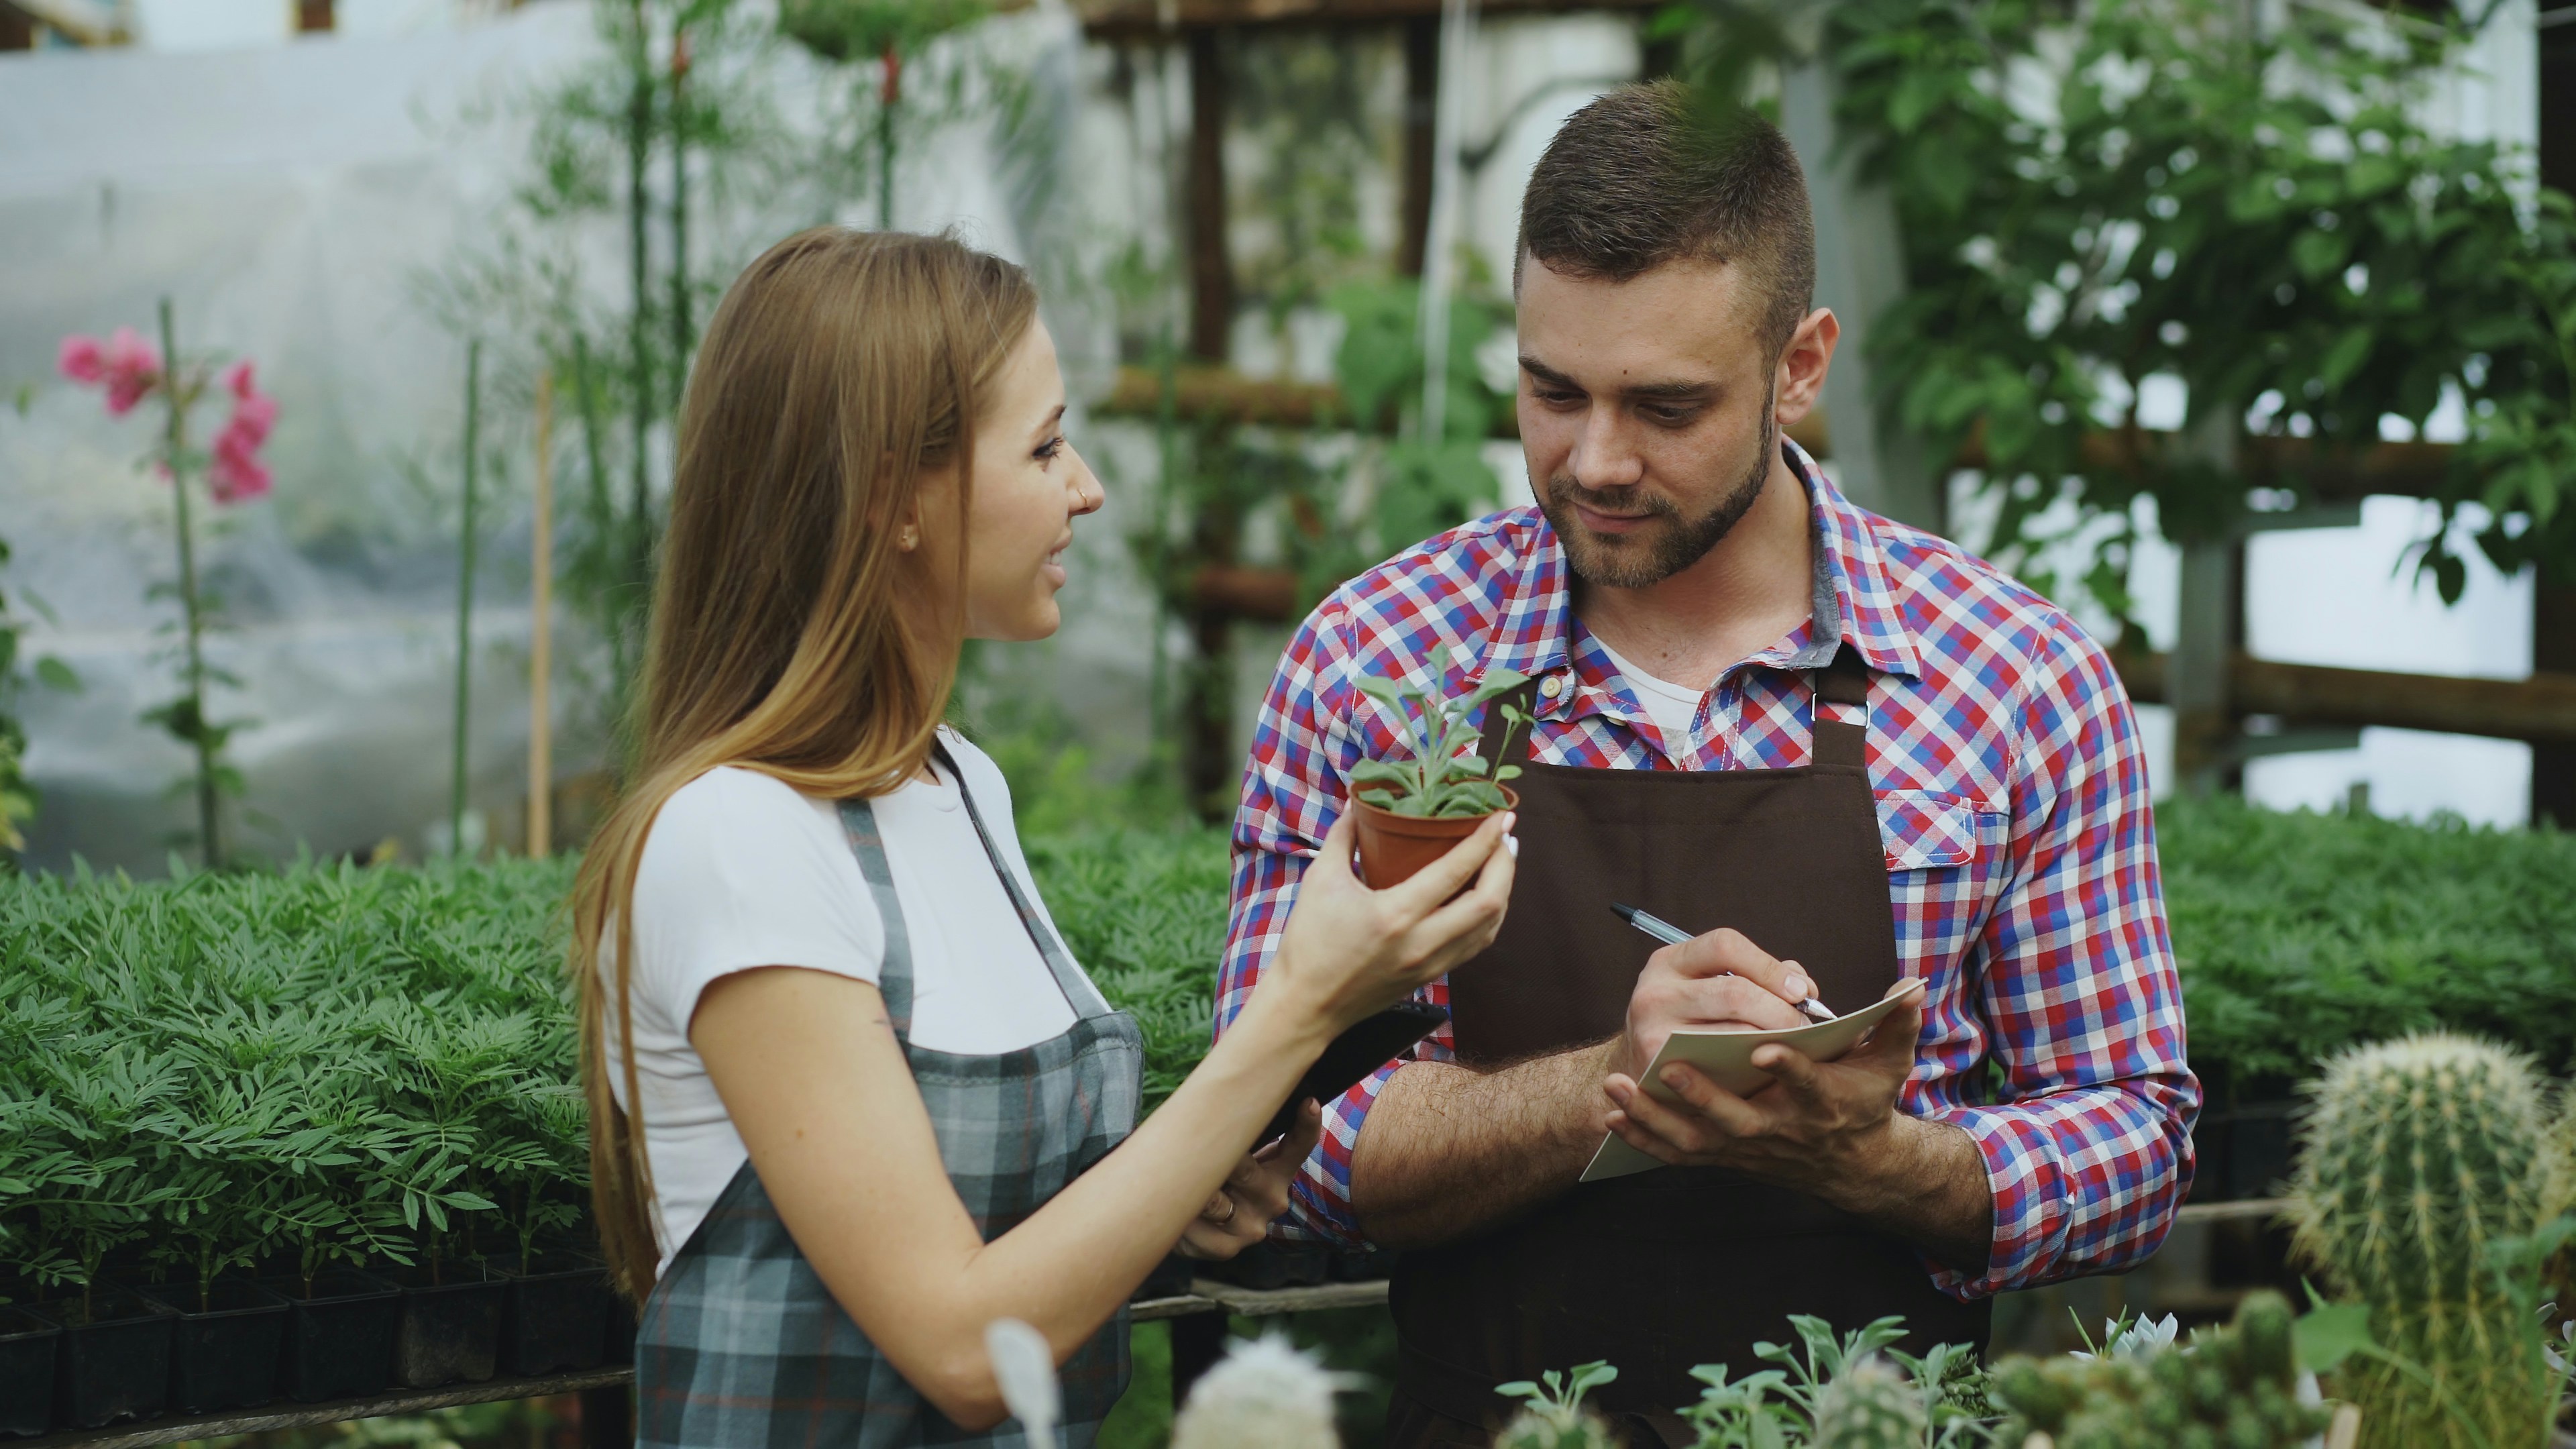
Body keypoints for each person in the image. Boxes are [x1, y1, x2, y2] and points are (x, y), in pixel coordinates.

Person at [1217, 82, 2199, 1446]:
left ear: (1800, 365)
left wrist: (1884, 1161)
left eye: (1665, 405)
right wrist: (1609, 1084)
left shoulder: (2012, 680)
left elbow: (2139, 1137)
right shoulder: (1387, 664)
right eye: (1551, 390)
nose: (1595, 460)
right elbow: (1268, 1141)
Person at [566, 227, 1517, 1449]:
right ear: (892, 502)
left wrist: (1200, 1169)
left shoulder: (960, 784)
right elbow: (965, 1350)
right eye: (1047, 443)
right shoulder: (738, 839)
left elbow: (985, 1231)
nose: (1087, 487)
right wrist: (1300, 1005)